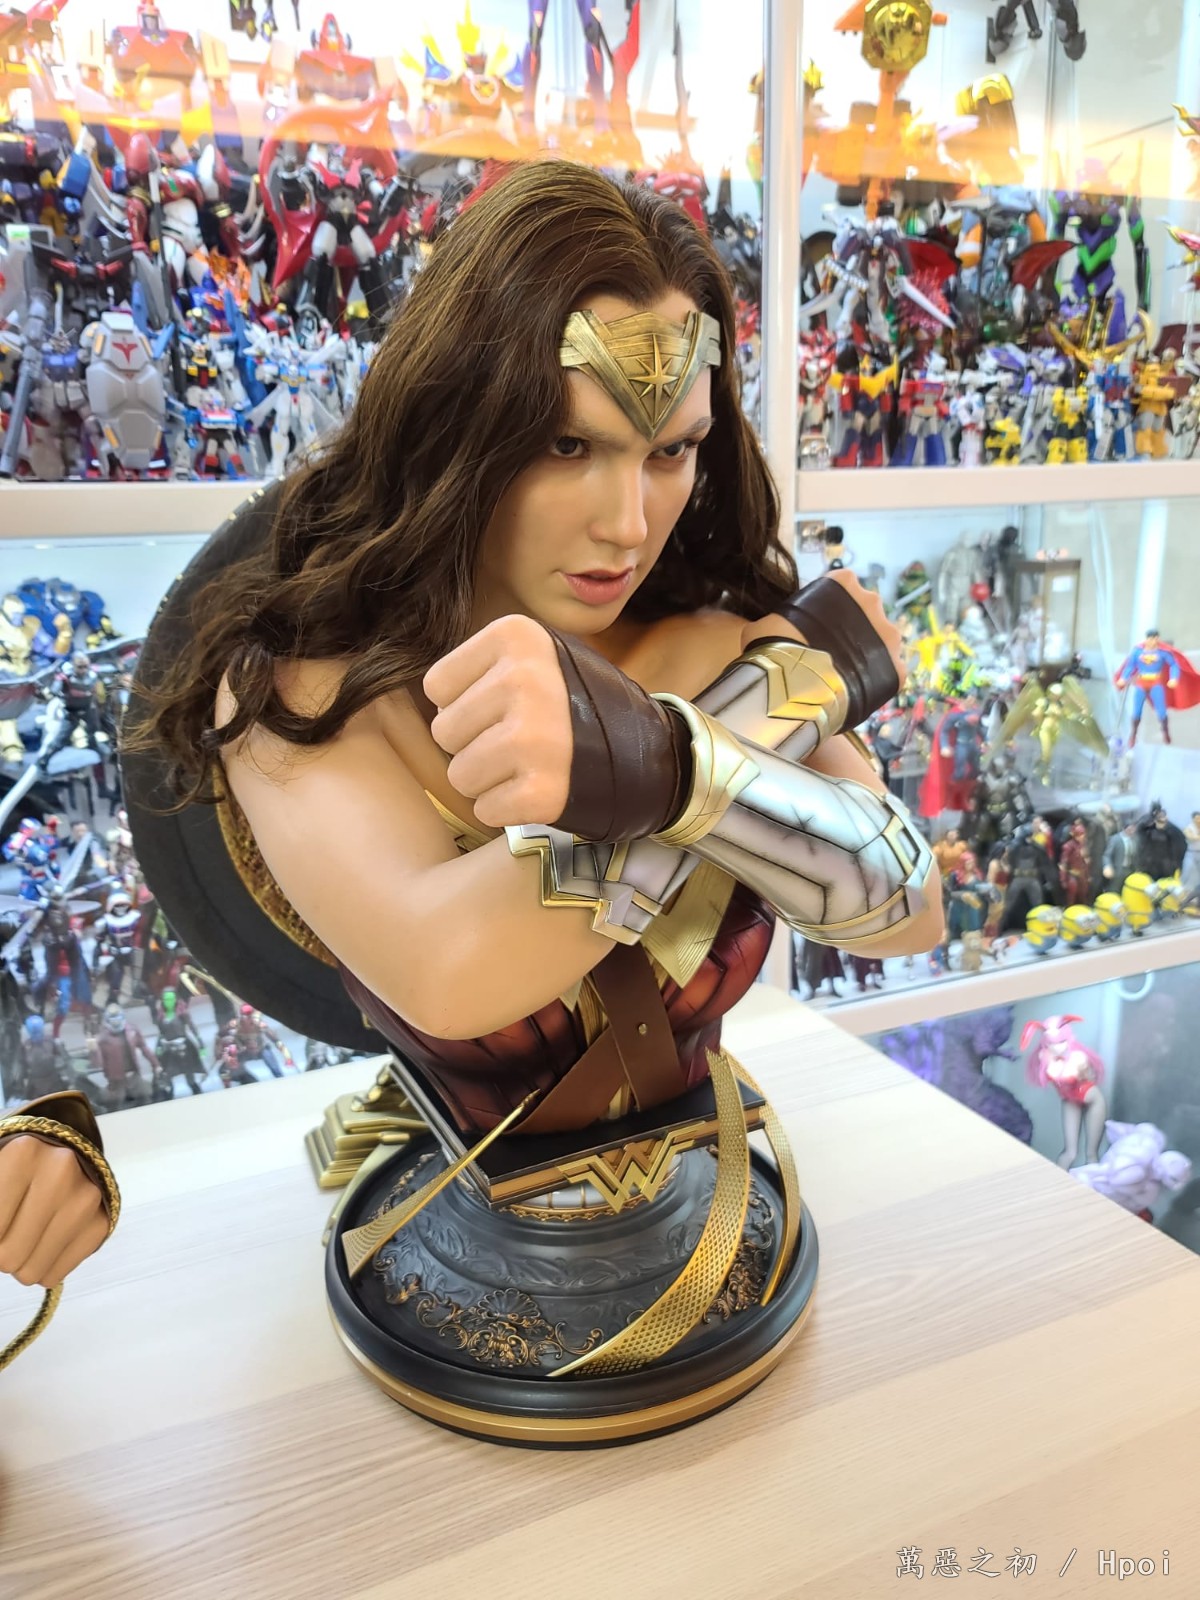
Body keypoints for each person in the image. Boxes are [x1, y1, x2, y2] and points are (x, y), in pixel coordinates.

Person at [7, 161, 942, 1386]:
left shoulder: (719, 641)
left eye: (673, 450)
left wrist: (668, 753)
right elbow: (448, 966)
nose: (629, 520)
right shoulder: (302, 686)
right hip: (455, 1246)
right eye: (568, 444)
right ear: (457, 423)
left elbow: (907, 905)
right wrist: (720, 740)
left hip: (713, 1212)